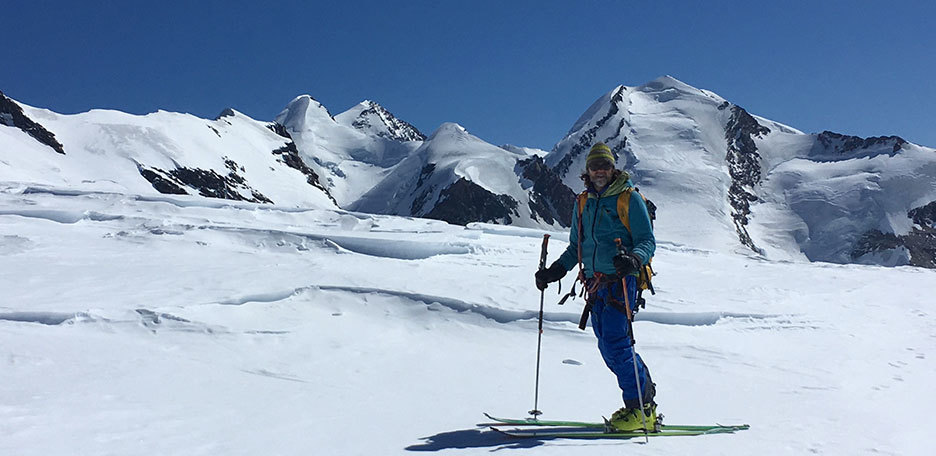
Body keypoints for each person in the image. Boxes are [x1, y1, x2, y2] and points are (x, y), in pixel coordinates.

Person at [534, 142, 658, 432]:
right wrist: (555, 271)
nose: (600, 171)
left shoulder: (629, 199)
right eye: (594, 166)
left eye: (605, 165)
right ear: (587, 171)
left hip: (621, 282)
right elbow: (576, 247)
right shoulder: (582, 202)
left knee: (616, 344)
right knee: (608, 346)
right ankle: (644, 399)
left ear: (613, 168)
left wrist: (633, 259)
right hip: (594, 283)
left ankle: (640, 408)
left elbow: (647, 241)